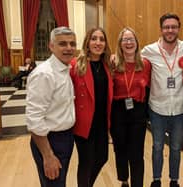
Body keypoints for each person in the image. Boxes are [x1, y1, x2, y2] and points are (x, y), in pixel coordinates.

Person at [141, 13, 183, 187]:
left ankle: (174, 180)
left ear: (178, 28)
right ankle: (156, 180)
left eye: (174, 27)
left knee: (175, 148)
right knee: (157, 146)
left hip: (180, 109)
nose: (170, 30)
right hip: (157, 108)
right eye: (167, 27)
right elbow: (131, 56)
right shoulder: (149, 50)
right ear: (161, 29)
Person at [26, 26, 76, 187]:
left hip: (66, 137)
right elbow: (34, 120)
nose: (69, 48)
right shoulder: (44, 74)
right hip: (50, 141)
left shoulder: (65, 69)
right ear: (51, 46)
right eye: (62, 44)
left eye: (72, 44)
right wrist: (47, 156)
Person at [70, 27, 113, 187]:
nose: (98, 42)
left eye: (102, 39)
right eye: (94, 39)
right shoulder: (76, 65)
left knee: (102, 158)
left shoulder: (107, 65)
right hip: (84, 124)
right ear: (87, 42)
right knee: (86, 162)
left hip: (102, 123)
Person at [110, 27, 151, 187]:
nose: (128, 42)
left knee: (137, 152)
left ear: (136, 43)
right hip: (118, 111)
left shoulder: (145, 64)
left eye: (131, 39)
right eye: (125, 40)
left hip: (138, 111)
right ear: (120, 44)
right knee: (120, 149)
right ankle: (124, 179)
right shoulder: (113, 63)